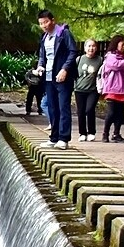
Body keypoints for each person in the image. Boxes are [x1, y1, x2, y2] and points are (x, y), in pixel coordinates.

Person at [36, 9, 79, 149]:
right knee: (52, 107)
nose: (44, 25)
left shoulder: (63, 34)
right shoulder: (44, 37)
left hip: (62, 76)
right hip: (48, 77)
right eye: (41, 23)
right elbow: (42, 55)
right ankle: (53, 138)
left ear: (53, 20)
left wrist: (64, 69)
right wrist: (40, 66)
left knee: (63, 106)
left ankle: (63, 138)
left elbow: (73, 51)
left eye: (46, 22)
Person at [100, 34, 124, 143]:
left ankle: (116, 133)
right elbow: (116, 65)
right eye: (122, 44)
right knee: (111, 112)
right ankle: (105, 133)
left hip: (123, 89)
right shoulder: (110, 56)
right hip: (112, 89)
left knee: (119, 113)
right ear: (116, 44)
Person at [74, 38, 102, 141]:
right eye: (89, 46)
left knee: (89, 109)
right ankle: (82, 133)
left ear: (96, 48)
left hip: (93, 90)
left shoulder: (100, 60)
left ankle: (91, 132)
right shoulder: (79, 59)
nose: (91, 48)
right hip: (79, 89)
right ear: (85, 48)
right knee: (80, 111)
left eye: (93, 46)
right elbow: (73, 73)